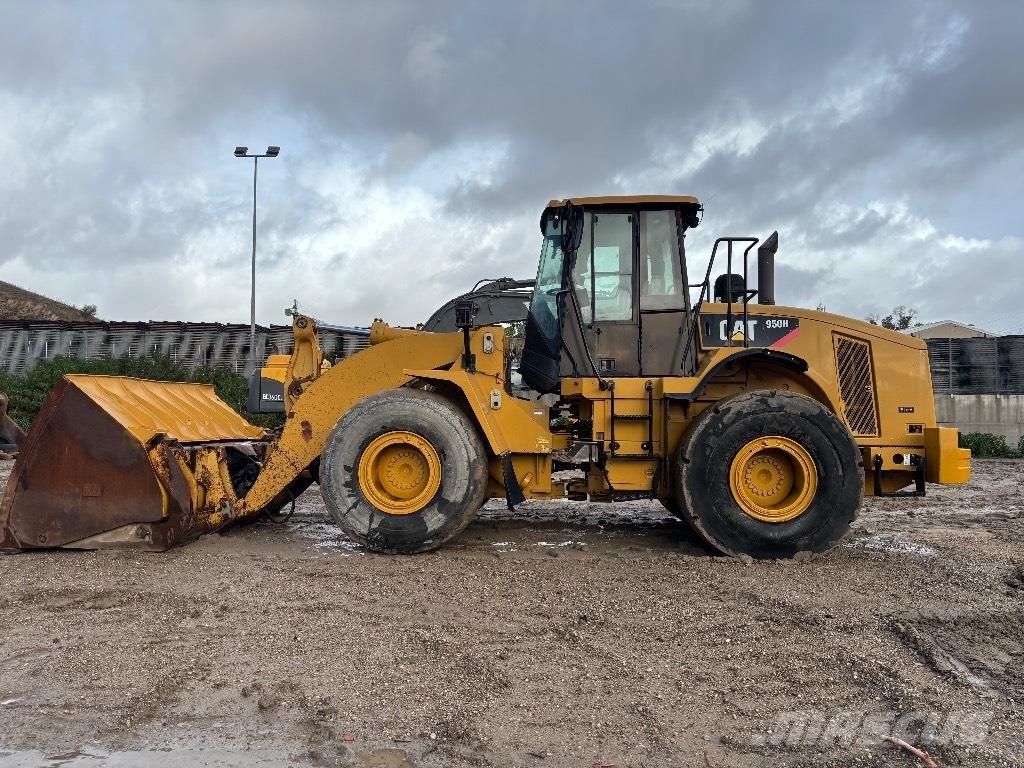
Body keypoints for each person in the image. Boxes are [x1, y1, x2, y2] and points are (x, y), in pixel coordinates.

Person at [0, 391, 25, 459]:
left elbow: (26, 444)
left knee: (16, 446)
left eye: (0, 404)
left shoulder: (10, 425)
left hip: (9, 447)